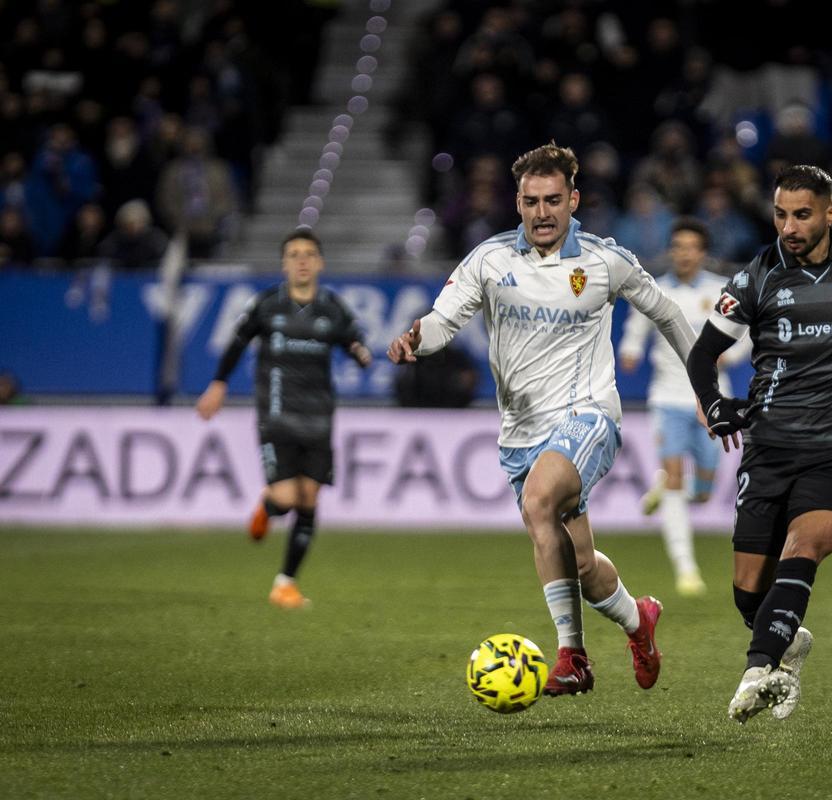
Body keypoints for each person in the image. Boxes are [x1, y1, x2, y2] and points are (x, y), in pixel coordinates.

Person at [387, 143, 700, 697]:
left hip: (588, 414)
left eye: (554, 200)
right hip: (521, 432)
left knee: (538, 502)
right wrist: (418, 339)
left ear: (573, 200)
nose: (542, 212)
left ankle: (571, 656)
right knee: (578, 560)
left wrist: (706, 385)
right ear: (518, 202)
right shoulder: (489, 260)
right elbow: (443, 319)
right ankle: (638, 620)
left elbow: (668, 312)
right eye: (531, 201)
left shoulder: (604, 261)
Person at [686, 164, 832, 724]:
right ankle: (789, 648)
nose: (788, 227)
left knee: (803, 548)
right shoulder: (757, 277)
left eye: (801, 215)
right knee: (749, 594)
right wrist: (715, 403)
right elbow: (702, 355)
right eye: (780, 214)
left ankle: (756, 672)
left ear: (829, 213)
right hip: (769, 447)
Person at [195, 229, 371, 609]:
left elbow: (352, 340)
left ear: (320, 262)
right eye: (294, 254)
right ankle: (268, 506)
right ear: (285, 263)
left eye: (309, 253)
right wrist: (218, 385)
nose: (302, 260)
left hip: (319, 416)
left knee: (309, 499)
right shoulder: (266, 305)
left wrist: (361, 352)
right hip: (276, 414)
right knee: (287, 497)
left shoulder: (332, 307)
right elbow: (237, 343)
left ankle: (284, 583)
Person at [618, 217, 748, 596]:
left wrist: (728, 356)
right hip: (668, 397)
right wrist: (629, 350)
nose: (683, 253)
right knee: (675, 476)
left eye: (690, 247)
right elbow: (637, 327)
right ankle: (686, 569)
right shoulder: (656, 290)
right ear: (671, 251)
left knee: (704, 491)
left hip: (710, 399)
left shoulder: (719, 290)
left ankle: (668, 490)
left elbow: (744, 335)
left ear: (702, 252)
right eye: (677, 247)